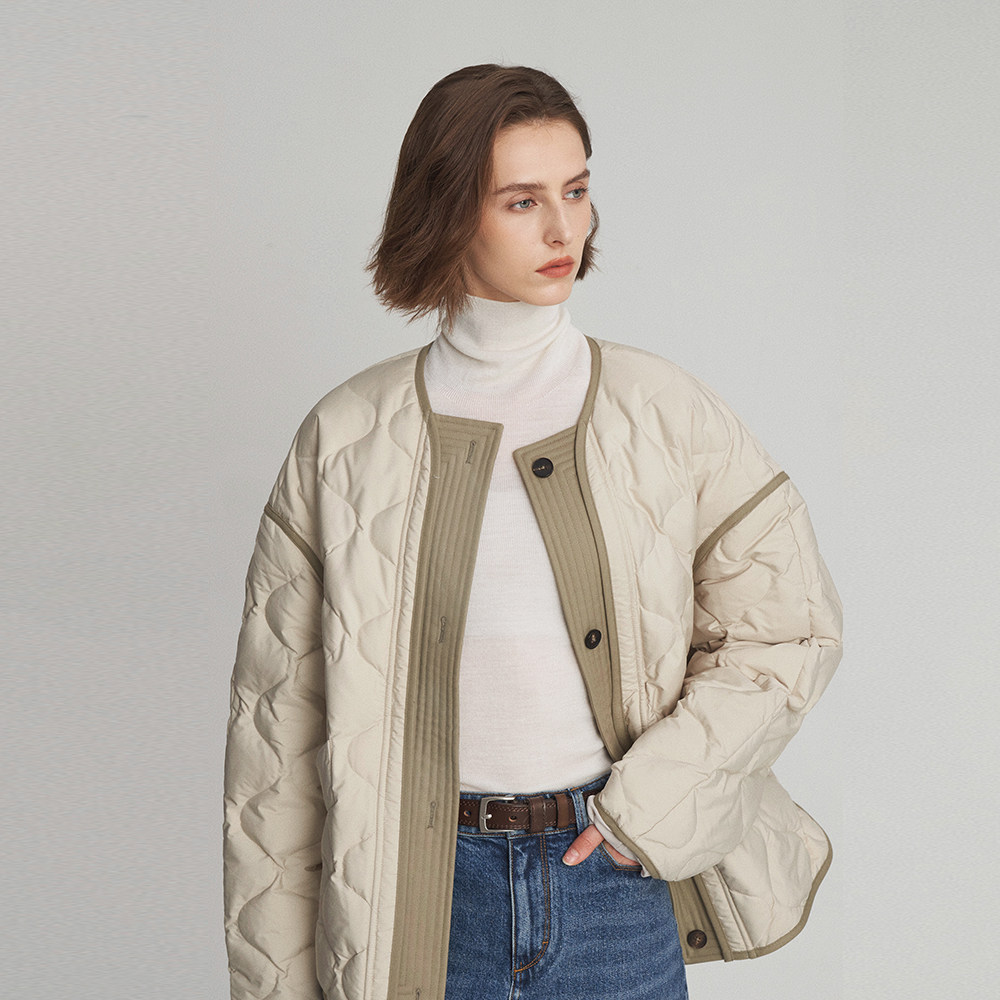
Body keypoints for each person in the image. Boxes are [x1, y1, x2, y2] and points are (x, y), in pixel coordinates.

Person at [223, 64, 843, 1000]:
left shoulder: (664, 410)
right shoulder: (344, 439)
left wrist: (647, 809)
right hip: (413, 903)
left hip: (612, 888)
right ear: (446, 212)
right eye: (522, 201)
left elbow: (788, 631)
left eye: (577, 190)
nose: (564, 229)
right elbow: (275, 750)